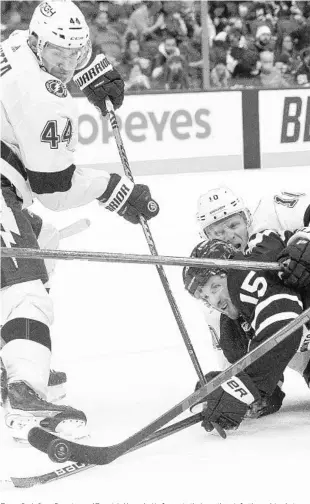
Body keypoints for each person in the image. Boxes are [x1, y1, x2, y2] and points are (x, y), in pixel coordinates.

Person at [0, 0, 159, 442]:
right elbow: (53, 188)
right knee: (25, 290)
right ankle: (25, 392)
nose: (67, 61)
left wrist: (89, 69)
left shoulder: (15, 46)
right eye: (59, 53)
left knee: (43, 244)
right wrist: (115, 190)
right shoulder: (42, 97)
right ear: (38, 43)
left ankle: (13, 358)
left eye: (76, 51)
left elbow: (61, 52)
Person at [193, 187, 310, 415]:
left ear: (247, 218)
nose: (228, 236)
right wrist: (242, 390)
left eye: (234, 225)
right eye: (217, 233)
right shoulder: (221, 297)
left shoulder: (272, 213)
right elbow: (238, 353)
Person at [183, 238, 308, 433]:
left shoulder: (241, 276)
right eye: (205, 297)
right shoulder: (233, 327)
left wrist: (244, 386)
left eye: (215, 287)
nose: (215, 301)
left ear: (228, 270)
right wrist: (249, 395)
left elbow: (284, 323)